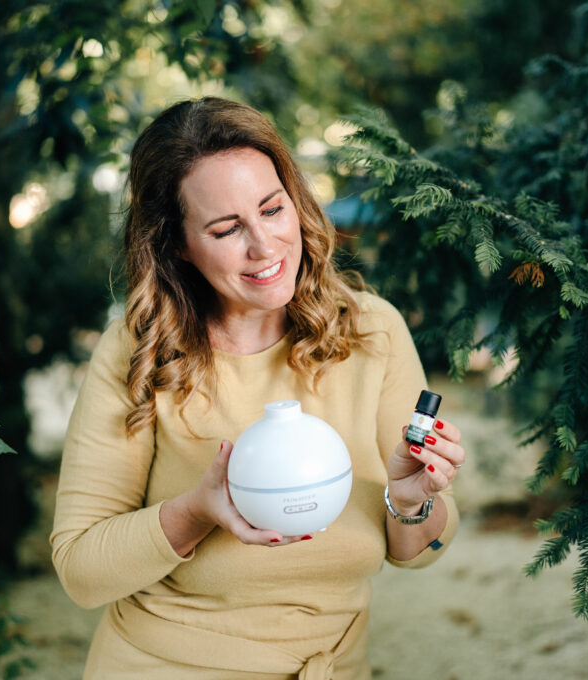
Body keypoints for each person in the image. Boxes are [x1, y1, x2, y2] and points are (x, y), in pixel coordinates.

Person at [50, 97, 464, 679]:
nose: (265, 247)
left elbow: (415, 551)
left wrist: (411, 499)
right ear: (176, 244)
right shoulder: (139, 354)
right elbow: (80, 570)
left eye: (272, 210)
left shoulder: (372, 331)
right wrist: (197, 512)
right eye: (226, 229)